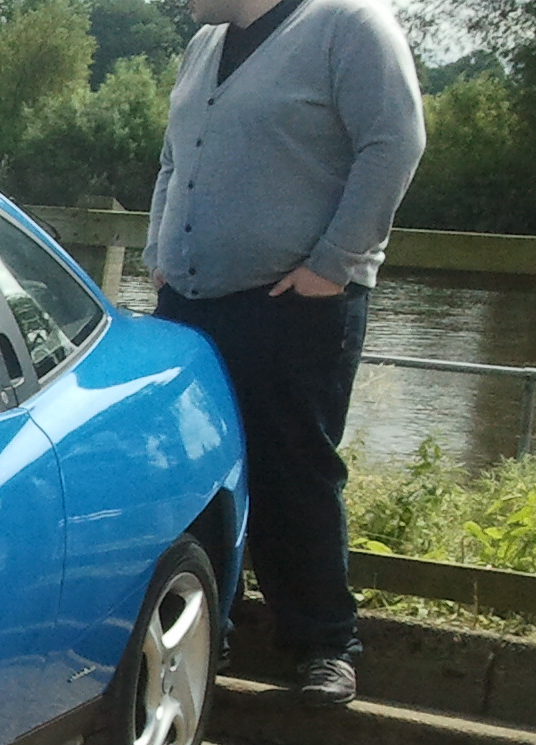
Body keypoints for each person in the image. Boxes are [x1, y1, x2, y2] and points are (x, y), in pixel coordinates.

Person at [146, 0, 424, 707]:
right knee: (193, 471)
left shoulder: (350, 26)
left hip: (296, 304)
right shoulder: (204, 46)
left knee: (294, 468)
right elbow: (174, 159)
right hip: (191, 299)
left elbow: (395, 143)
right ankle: (208, 630)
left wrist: (333, 265)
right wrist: (159, 254)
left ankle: (324, 644)